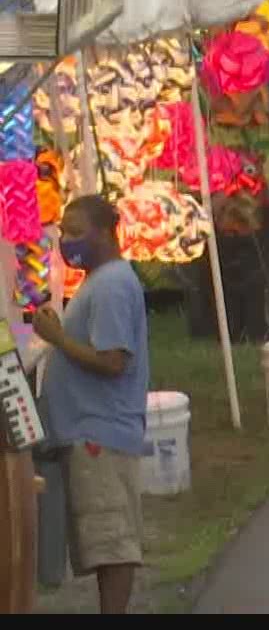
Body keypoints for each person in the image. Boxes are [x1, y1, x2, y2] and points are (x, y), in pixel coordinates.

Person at [33, 195, 148, 614]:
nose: (67, 240)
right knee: (100, 542)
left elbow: (113, 360)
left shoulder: (113, 285)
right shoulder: (99, 282)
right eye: (64, 231)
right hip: (87, 429)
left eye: (76, 232)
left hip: (101, 431)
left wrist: (58, 338)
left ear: (105, 233)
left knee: (112, 543)